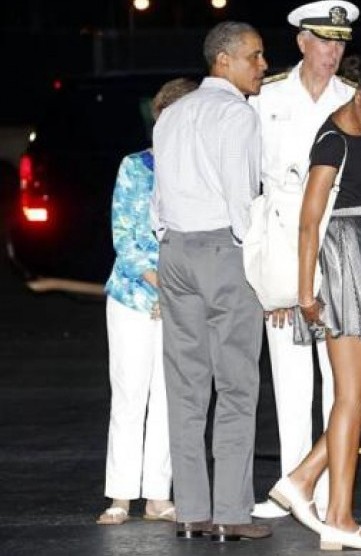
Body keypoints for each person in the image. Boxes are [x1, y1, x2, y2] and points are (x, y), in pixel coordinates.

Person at [247, 0, 361, 521]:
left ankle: (330, 490)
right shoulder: (265, 98)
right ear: (302, 42)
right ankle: (293, 489)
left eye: (341, 43)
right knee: (290, 377)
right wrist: (279, 281)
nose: (333, 52)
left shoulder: (355, 100)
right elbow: (253, 186)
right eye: (324, 41)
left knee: (344, 384)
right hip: (288, 247)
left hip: (344, 248)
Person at [267, 60, 361, 551]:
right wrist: (306, 293)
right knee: (351, 394)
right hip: (340, 261)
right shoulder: (331, 140)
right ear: (358, 97)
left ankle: (303, 476)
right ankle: (339, 516)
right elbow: (309, 222)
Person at [150, 21, 271, 542]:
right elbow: (241, 198)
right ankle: (231, 512)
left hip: (175, 250)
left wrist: (168, 237)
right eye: (255, 56)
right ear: (223, 61)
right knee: (238, 385)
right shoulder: (237, 114)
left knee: (186, 387)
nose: (263, 65)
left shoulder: (170, 115)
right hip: (224, 249)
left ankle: (191, 512)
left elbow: (159, 196)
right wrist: (256, 256)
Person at [96, 77, 198, 526]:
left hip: (179, 298)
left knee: (170, 398)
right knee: (130, 393)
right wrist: (163, 287)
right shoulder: (135, 167)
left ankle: (158, 495)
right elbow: (128, 240)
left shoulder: (200, 172)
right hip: (133, 298)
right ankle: (120, 495)